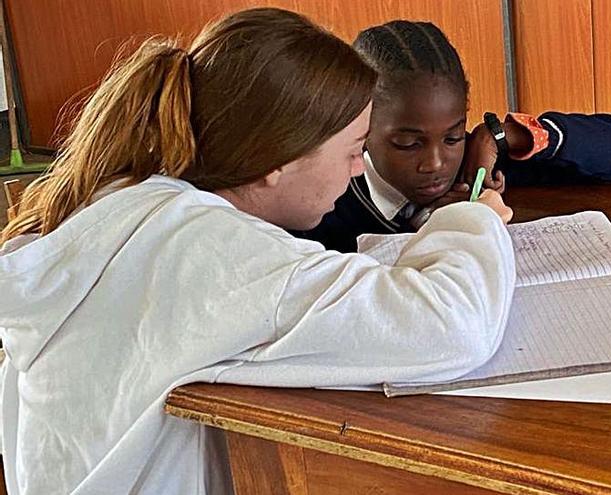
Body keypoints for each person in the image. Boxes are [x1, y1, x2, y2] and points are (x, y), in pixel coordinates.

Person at [0, 8, 516, 494]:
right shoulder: (220, 257)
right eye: (354, 149)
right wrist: (473, 218)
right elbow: (453, 324)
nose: (359, 169)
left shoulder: (130, 204)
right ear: (279, 158)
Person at [296, 20, 611, 253]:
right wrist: (444, 230)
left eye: (451, 137)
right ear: (360, 127)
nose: (435, 164)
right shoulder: (323, 206)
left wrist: (503, 137)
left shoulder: (476, 164)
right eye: (407, 143)